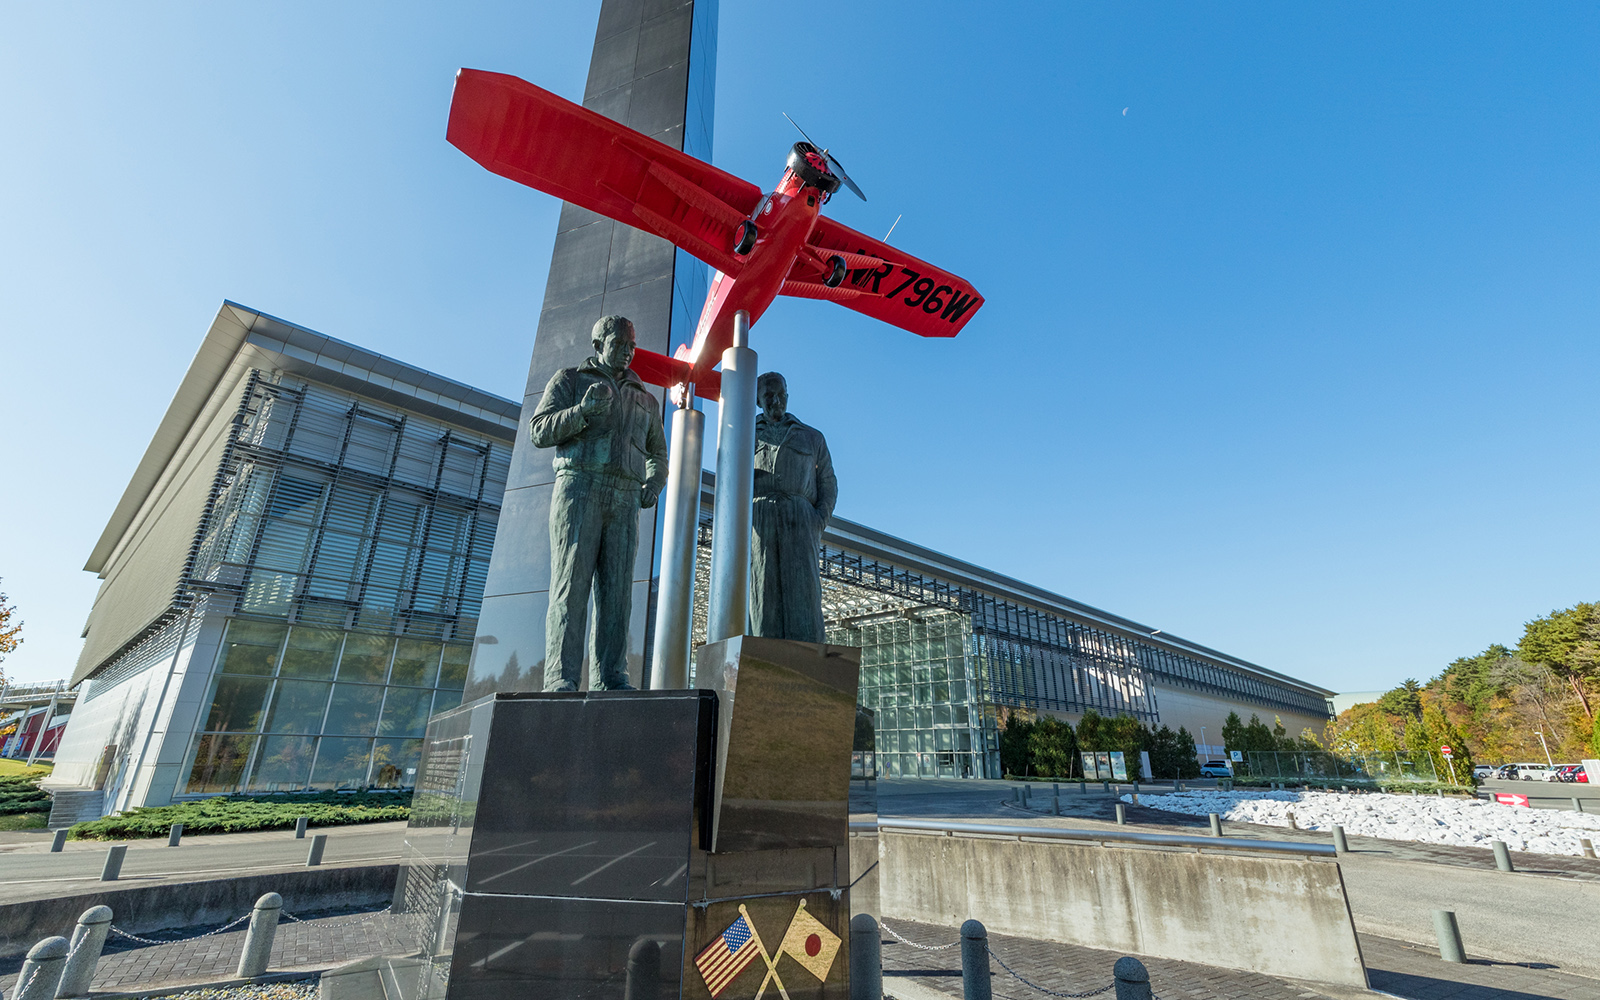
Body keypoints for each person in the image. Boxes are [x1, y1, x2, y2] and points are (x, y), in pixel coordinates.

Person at [528, 315, 668, 691]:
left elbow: (659, 453)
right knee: (571, 585)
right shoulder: (570, 380)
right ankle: (561, 676)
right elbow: (538, 431)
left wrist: (653, 482)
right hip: (579, 487)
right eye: (620, 344)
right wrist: (581, 413)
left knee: (618, 593)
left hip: (625, 498)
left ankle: (612, 675)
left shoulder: (646, 399)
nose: (627, 352)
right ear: (599, 345)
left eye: (632, 345)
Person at [750, 372, 837, 643]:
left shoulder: (812, 437)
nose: (775, 401)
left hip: (801, 520)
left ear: (787, 395)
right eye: (768, 396)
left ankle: (809, 663)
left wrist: (817, 520)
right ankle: (767, 661)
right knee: (764, 596)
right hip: (760, 521)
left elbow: (829, 484)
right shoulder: (744, 433)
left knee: (805, 595)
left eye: (780, 394)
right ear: (757, 399)